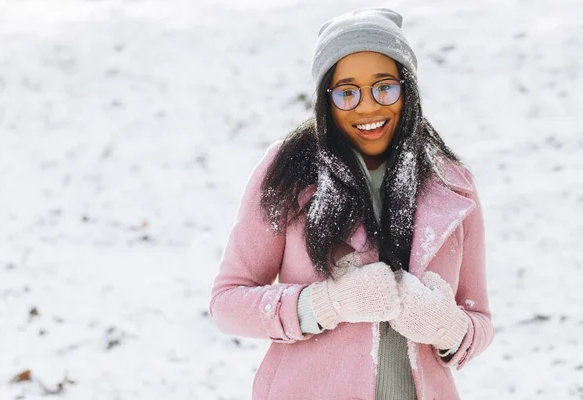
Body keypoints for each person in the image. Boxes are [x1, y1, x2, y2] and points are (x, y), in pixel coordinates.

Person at [209, 7, 494, 400]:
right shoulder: (287, 172)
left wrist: (447, 327)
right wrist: (327, 303)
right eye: (347, 92)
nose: (367, 107)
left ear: (406, 89)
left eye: (384, 87)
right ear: (326, 101)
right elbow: (227, 303)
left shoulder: (452, 183)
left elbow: (479, 320)